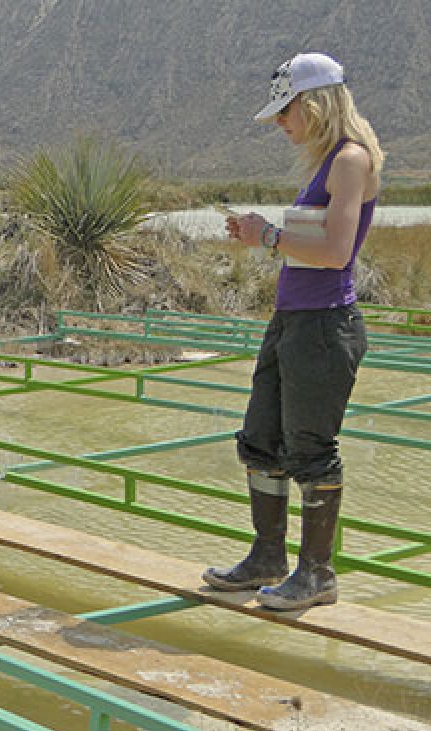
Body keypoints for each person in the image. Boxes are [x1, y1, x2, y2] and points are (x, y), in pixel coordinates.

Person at [202, 52, 383, 610]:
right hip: (293, 323)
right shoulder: (328, 162)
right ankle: (267, 557)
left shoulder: (351, 160)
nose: (281, 122)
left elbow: (335, 254)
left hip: (325, 326)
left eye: (286, 111)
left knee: (310, 448)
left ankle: (317, 574)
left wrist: (269, 237)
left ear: (315, 103)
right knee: (261, 436)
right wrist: (260, 235)